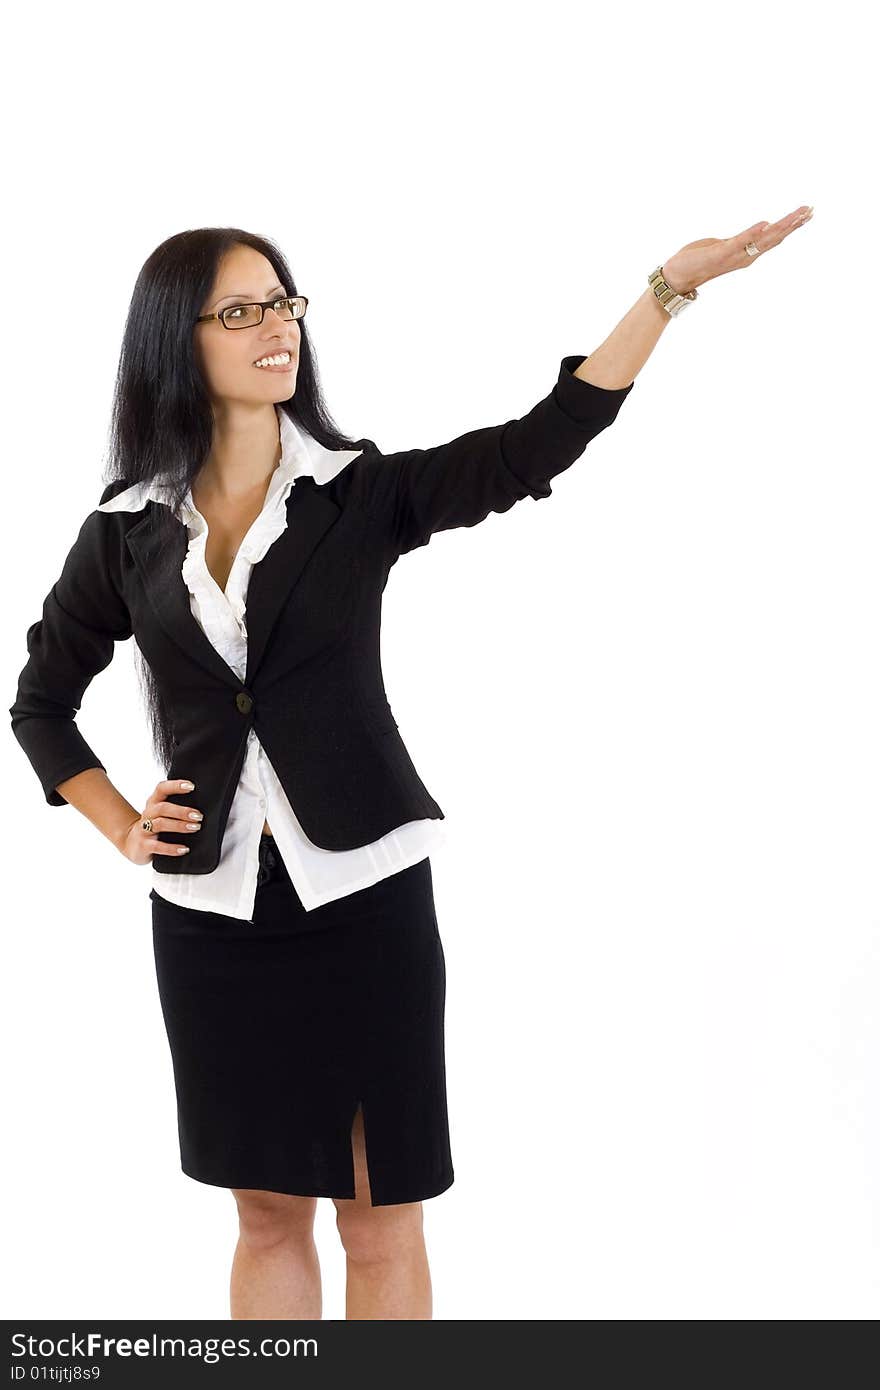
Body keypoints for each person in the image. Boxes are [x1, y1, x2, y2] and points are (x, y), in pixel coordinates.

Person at [8, 207, 812, 1320]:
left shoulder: (359, 493)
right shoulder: (125, 529)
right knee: (265, 1213)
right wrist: (120, 822)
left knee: (381, 1213)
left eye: (281, 303)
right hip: (209, 911)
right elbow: (42, 703)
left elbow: (541, 440)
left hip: (363, 896)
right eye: (238, 312)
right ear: (172, 343)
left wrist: (664, 295)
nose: (273, 328)